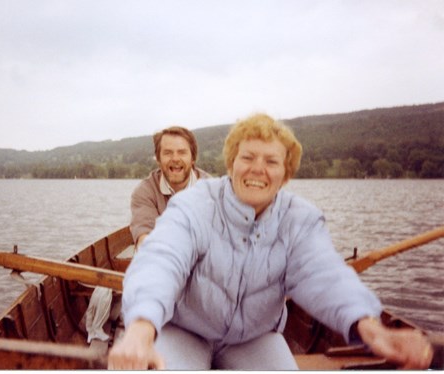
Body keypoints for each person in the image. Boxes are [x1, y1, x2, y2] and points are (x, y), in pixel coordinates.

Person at [108, 113, 434, 370]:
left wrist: (371, 328)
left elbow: (325, 275)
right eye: (247, 157)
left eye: (271, 161)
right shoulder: (194, 205)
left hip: (253, 338)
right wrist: (141, 327)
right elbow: (161, 261)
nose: (257, 169)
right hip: (184, 331)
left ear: (286, 174)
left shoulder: (299, 220)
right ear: (232, 163)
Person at [130, 126, 211, 247]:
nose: (175, 159)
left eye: (182, 152)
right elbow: (145, 238)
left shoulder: (212, 190)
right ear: (158, 159)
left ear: (193, 158)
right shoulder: (145, 192)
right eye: (168, 153)